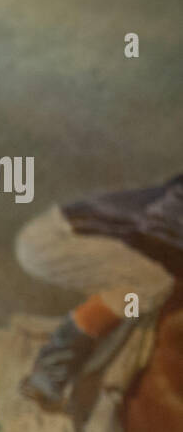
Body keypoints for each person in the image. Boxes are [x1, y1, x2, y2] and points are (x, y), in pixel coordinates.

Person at [16, 171, 183, 410]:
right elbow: (157, 238)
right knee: (153, 285)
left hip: (99, 242)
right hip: (54, 240)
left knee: (152, 287)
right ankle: (50, 372)